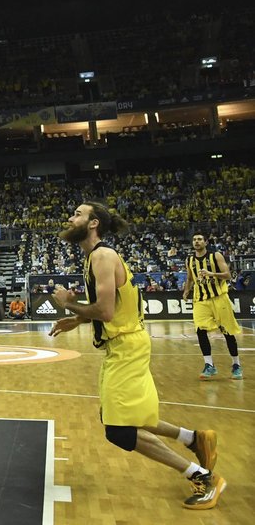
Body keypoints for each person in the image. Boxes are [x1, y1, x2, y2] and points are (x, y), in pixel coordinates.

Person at [50, 202, 225, 511]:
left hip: (126, 347)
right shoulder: (96, 256)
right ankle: (194, 439)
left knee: (119, 430)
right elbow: (114, 308)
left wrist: (68, 305)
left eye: (78, 213)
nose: (70, 217)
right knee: (124, 417)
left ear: (93, 224)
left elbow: (105, 311)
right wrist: (77, 320)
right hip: (124, 345)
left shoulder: (103, 256)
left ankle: (202, 477)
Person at [182, 234, 241, 380]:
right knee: (200, 330)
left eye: (200, 239)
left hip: (219, 298)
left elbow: (227, 275)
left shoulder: (216, 256)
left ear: (206, 242)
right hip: (200, 299)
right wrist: (186, 290)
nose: (196, 242)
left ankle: (236, 365)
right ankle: (209, 365)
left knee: (227, 331)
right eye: (194, 239)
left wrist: (211, 274)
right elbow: (190, 278)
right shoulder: (189, 260)